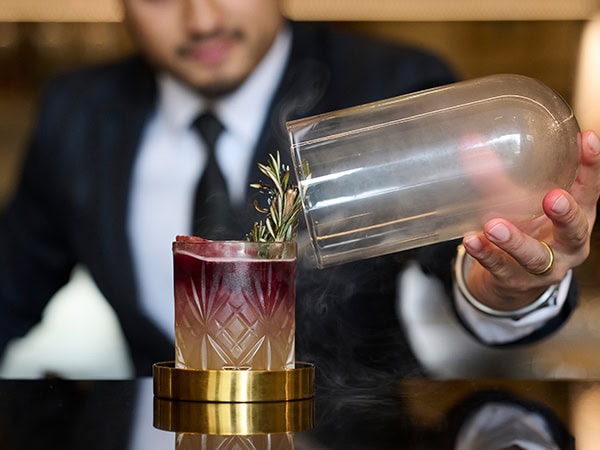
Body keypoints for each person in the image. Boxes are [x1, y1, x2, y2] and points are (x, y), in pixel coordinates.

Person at [0, 0, 598, 378]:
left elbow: (458, 259)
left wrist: (503, 287)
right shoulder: (75, 115)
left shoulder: (389, 84)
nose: (202, 18)